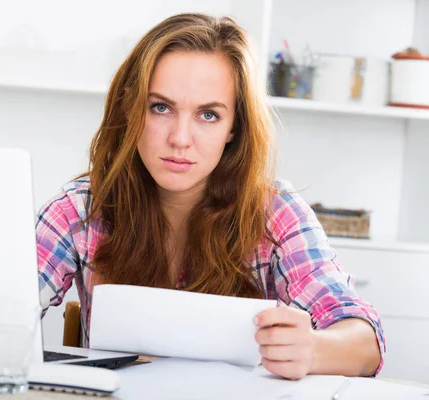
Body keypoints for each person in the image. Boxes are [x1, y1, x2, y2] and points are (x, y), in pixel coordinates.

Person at [35, 13, 384, 380]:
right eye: (161, 107)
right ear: (130, 108)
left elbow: (364, 342)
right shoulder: (81, 208)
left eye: (208, 115)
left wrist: (313, 349)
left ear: (234, 127)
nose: (180, 138)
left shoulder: (274, 213)